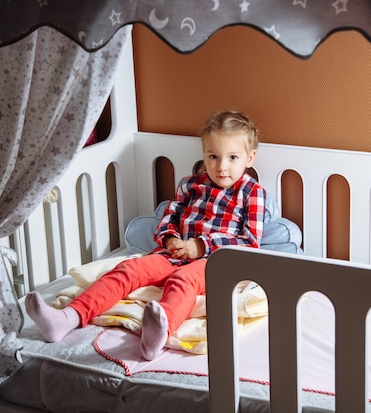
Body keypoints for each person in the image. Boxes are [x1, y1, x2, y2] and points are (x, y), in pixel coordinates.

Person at [25, 110, 266, 360]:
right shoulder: (189, 185)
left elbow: (249, 243)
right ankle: (67, 318)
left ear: (249, 158)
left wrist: (201, 246)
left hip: (215, 264)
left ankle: (158, 333)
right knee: (129, 269)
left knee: (183, 279)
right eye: (213, 156)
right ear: (204, 154)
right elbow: (168, 219)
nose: (221, 166)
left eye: (232, 157)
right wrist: (170, 238)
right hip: (172, 254)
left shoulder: (252, 193)